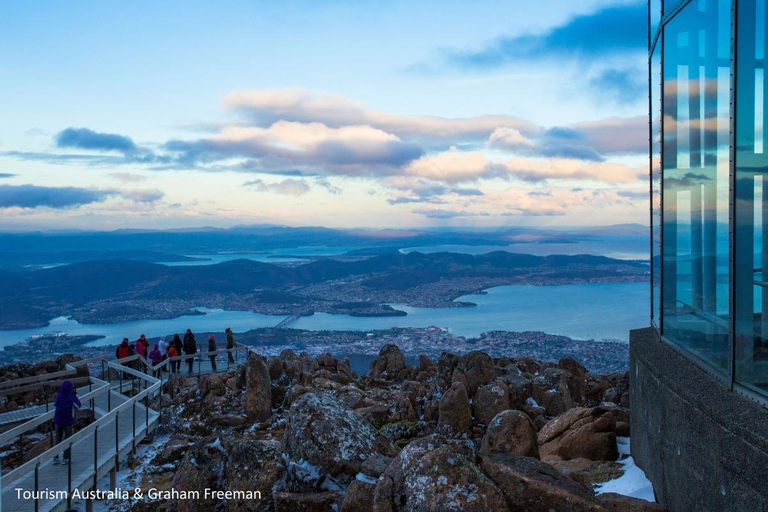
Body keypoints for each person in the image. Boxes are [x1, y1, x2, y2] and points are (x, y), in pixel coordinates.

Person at [53, 380, 81, 465]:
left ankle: (56, 457)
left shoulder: (59, 396)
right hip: (68, 421)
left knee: (58, 439)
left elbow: (55, 404)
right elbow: (78, 405)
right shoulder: (71, 397)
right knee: (68, 439)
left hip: (58, 421)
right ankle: (66, 458)